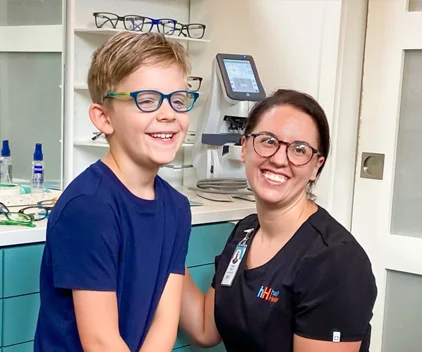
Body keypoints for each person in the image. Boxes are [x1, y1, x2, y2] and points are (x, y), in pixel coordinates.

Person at [34, 31, 199, 352]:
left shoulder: (177, 208)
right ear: (103, 118)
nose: (168, 113)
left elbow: (164, 321)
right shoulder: (89, 207)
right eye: (147, 100)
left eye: (178, 100)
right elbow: (100, 340)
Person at [180, 89, 377, 352]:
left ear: (315, 166)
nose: (278, 159)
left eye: (299, 149)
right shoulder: (245, 231)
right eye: (268, 141)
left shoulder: (335, 261)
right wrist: (160, 241)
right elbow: (206, 330)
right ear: (244, 147)